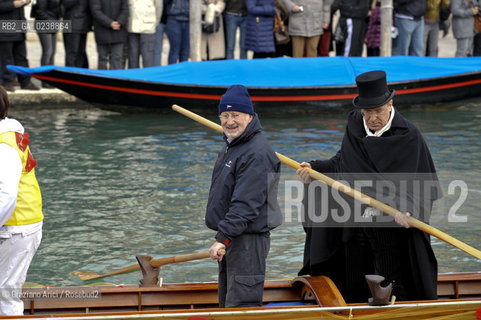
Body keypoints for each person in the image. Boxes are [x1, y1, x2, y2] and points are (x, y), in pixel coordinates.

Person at [296, 70, 441, 303]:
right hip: (354, 213)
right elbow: (342, 161)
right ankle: (353, 305)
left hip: (389, 219)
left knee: (388, 269)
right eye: (368, 112)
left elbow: (423, 184)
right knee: (353, 262)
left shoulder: (409, 136)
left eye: (378, 111)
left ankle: (393, 303)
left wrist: (408, 210)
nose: (372, 118)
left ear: (390, 104)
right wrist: (314, 168)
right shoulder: (355, 125)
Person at [205, 84, 282, 308]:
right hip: (233, 238)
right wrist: (225, 237)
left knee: (241, 306)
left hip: (248, 242)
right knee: (227, 303)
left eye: (235, 115)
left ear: (249, 116)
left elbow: (246, 205)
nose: (229, 121)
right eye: (225, 115)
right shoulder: (233, 146)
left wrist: (222, 238)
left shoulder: (256, 153)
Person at [0, 86, 44, 315]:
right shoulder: (7, 137)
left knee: (5, 296)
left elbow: (6, 196)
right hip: (18, 225)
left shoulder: (3, 146)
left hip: (16, 228)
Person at [0, 0, 40, 92]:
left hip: (19, 29)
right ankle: (8, 82)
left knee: (22, 58)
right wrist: (13, 4)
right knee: (7, 59)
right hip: (5, 31)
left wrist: (26, 2)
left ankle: (25, 82)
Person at [90, 0, 129, 70]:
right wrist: (109, 23)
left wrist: (119, 22)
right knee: (73, 52)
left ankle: (115, 78)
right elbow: (95, 10)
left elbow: (125, 9)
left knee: (117, 58)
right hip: (71, 24)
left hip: (117, 30)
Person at [31, 0, 61, 88]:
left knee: (52, 52)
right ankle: (45, 80)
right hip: (44, 24)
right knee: (47, 52)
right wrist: (52, 21)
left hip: (52, 24)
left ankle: (51, 79)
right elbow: (40, 11)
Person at [127, 0, 162, 68]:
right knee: (133, 59)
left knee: (148, 60)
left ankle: (147, 78)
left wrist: (154, 23)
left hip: (147, 29)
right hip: (132, 28)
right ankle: (133, 78)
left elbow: (159, 7)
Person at [61, 0, 92, 68]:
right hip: (71, 25)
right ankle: (70, 74)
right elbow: (66, 3)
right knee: (72, 53)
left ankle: (79, 73)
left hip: (84, 25)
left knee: (81, 53)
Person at [165, 0, 190, 64]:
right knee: (175, 50)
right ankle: (172, 72)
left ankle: (184, 72)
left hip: (189, 20)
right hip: (174, 19)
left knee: (185, 51)